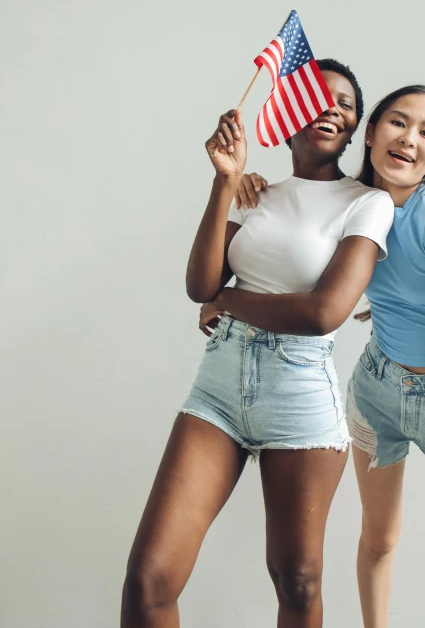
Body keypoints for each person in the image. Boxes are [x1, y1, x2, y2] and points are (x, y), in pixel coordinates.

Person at [219, 85, 425, 627]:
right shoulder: (353, 201)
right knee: (379, 540)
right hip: (375, 391)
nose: (409, 138)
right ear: (373, 132)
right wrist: (245, 186)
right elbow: (290, 239)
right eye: (397, 123)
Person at [120, 59, 394, 628]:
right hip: (219, 387)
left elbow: (323, 314)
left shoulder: (366, 204)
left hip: (300, 392)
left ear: (354, 128)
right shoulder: (256, 194)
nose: (330, 109)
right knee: (150, 580)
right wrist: (225, 182)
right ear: (289, 111)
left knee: (298, 581)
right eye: (318, 97)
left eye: (345, 104)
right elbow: (200, 283)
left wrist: (228, 302)